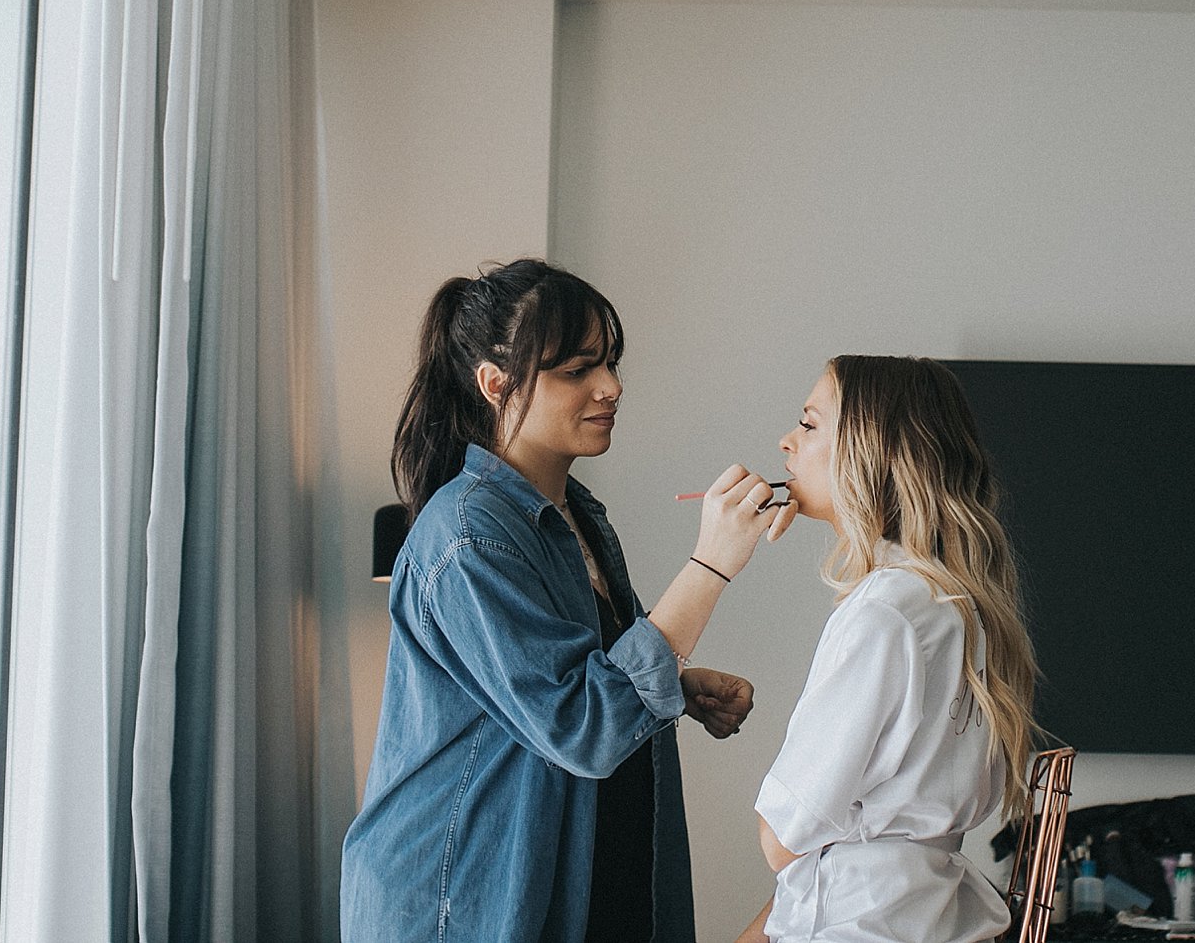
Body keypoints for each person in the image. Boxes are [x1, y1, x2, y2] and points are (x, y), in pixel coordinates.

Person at [342, 259, 795, 943]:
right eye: (577, 369)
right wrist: (712, 562)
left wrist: (677, 681)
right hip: (465, 904)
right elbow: (583, 724)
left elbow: (571, 680)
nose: (610, 386)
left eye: (609, 362)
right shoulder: (468, 538)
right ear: (496, 384)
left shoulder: (574, 513)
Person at [737, 356, 1040, 943]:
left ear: (869, 452)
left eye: (810, 424)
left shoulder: (884, 611)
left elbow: (781, 835)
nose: (786, 442)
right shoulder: (957, 604)